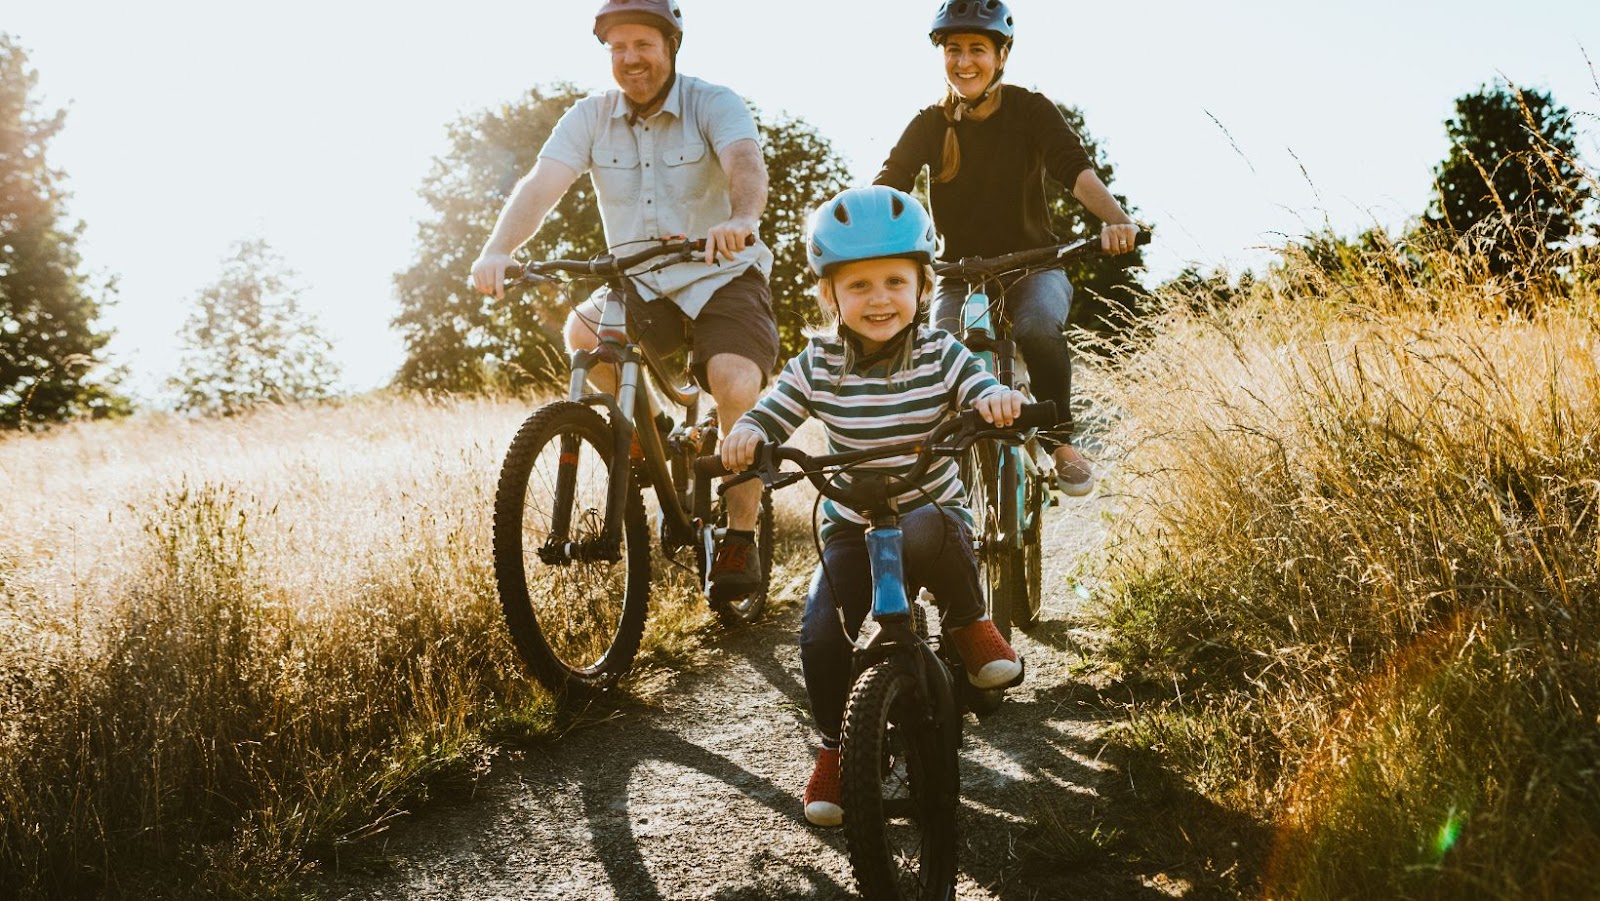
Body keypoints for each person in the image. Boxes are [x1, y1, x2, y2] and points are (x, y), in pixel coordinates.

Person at [720, 186, 1024, 827]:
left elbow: (977, 382)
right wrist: (751, 432)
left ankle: (968, 621)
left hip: (925, 517)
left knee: (931, 525)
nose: (879, 299)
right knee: (822, 635)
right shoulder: (818, 362)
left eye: (895, 281)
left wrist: (993, 401)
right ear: (830, 296)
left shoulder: (942, 352)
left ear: (921, 286)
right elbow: (776, 408)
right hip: (851, 528)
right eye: (858, 286)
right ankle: (837, 745)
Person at [471, 0, 777, 600]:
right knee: (584, 335)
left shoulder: (713, 102)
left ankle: (740, 535)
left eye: (643, 45)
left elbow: (745, 162)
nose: (631, 59)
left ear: (671, 46)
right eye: (618, 48)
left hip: (721, 275)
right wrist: (497, 249)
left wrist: (741, 218)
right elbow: (542, 184)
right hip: (639, 279)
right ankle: (653, 441)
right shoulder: (590, 117)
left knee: (734, 385)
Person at [874, 0, 1141, 496]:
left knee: (1038, 327)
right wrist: (864, 240)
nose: (964, 61)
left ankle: (1060, 441)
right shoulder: (930, 123)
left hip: (1035, 264)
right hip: (960, 274)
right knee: (944, 353)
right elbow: (889, 186)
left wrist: (1117, 221)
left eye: (977, 49)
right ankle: (944, 470)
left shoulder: (1029, 109)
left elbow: (1073, 169)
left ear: (1002, 56)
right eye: (953, 50)